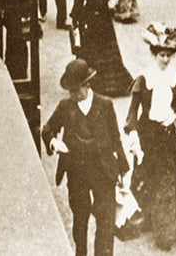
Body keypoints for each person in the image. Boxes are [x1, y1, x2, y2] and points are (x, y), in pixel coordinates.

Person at [42, 58, 129, 256]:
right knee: (80, 220)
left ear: (87, 85)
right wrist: (54, 142)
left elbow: (115, 138)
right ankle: (80, 252)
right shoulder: (65, 106)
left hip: (103, 170)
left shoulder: (105, 105)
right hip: (77, 171)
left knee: (105, 221)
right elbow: (47, 129)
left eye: (75, 90)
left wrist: (123, 169)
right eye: (70, 90)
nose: (72, 95)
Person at [125, 23, 176, 250]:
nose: (165, 60)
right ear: (154, 54)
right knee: (145, 173)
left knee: (168, 178)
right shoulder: (144, 78)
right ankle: (144, 218)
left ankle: (166, 231)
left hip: (170, 135)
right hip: (148, 134)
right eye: (162, 55)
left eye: (169, 56)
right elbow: (133, 111)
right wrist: (133, 133)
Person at [71, 0, 132, 98]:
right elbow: (78, 2)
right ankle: (90, 84)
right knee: (91, 53)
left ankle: (113, 87)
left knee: (109, 53)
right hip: (90, 22)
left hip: (105, 22)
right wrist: (75, 22)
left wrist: (114, 0)